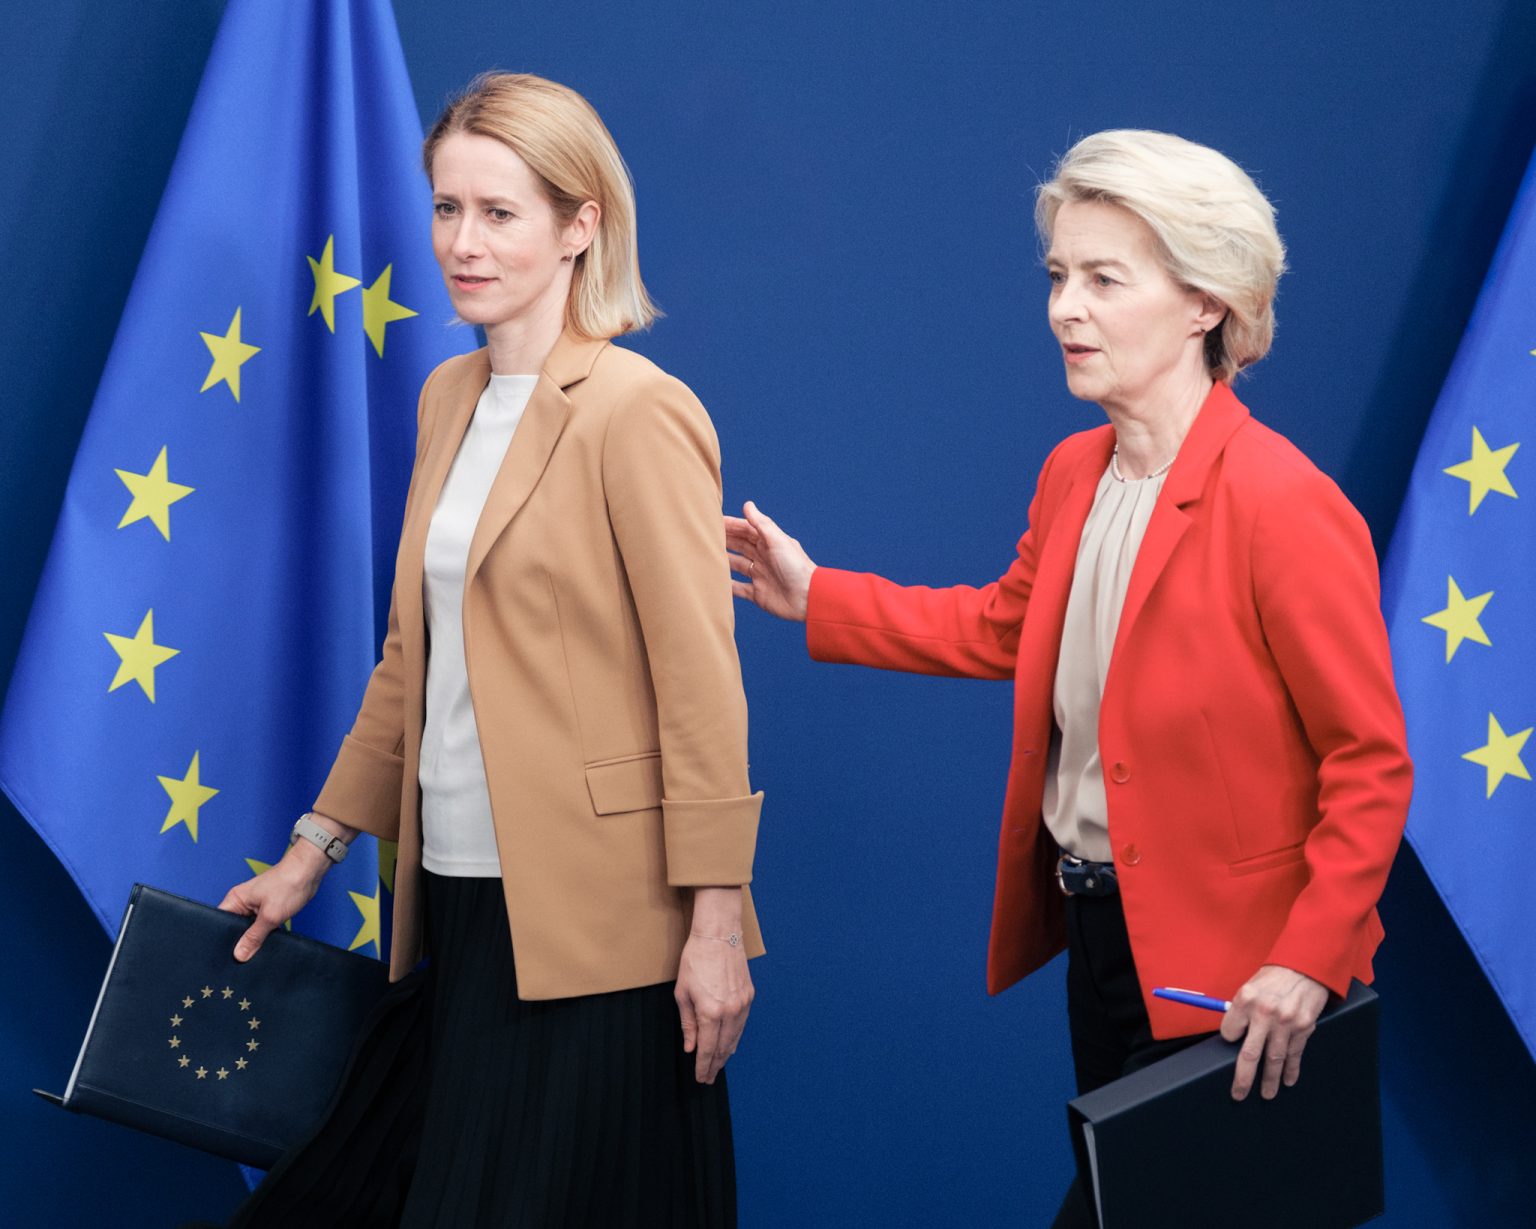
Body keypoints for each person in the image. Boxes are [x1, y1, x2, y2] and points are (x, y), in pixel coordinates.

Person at [725, 129, 1411, 1226]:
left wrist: (1306, 960)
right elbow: (1009, 627)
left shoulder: (1282, 502)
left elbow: (1369, 762)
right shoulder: (1074, 469)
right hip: (1101, 937)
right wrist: (823, 598)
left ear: (1207, 303)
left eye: (1103, 279)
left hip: (1237, 976)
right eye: (1057, 276)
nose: (1063, 309)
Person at [215, 72, 761, 1228]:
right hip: (455, 903)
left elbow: (701, 685)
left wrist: (718, 925)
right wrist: (311, 850)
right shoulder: (448, 395)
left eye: (500, 213)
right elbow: (412, 661)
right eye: (448, 209)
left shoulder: (636, 408)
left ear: (580, 226)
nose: (463, 243)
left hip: (602, 928)